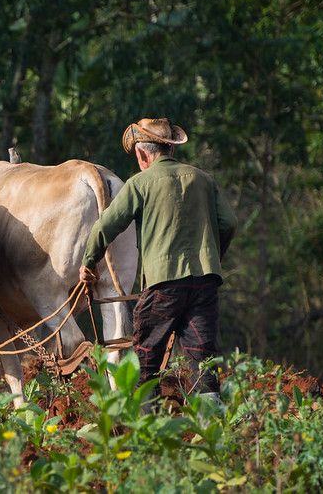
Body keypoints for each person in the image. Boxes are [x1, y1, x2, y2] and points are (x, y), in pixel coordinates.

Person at [79, 118, 237, 409]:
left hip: (164, 285)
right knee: (201, 358)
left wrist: (88, 262)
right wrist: (211, 258)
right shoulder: (202, 178)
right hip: (205, 283)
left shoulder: (141, 183)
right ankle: (213, 432)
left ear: (142, 154)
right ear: (171, 149)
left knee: (146, 356)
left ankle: (147, 428)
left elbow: (106, 227)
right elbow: (228, 223)